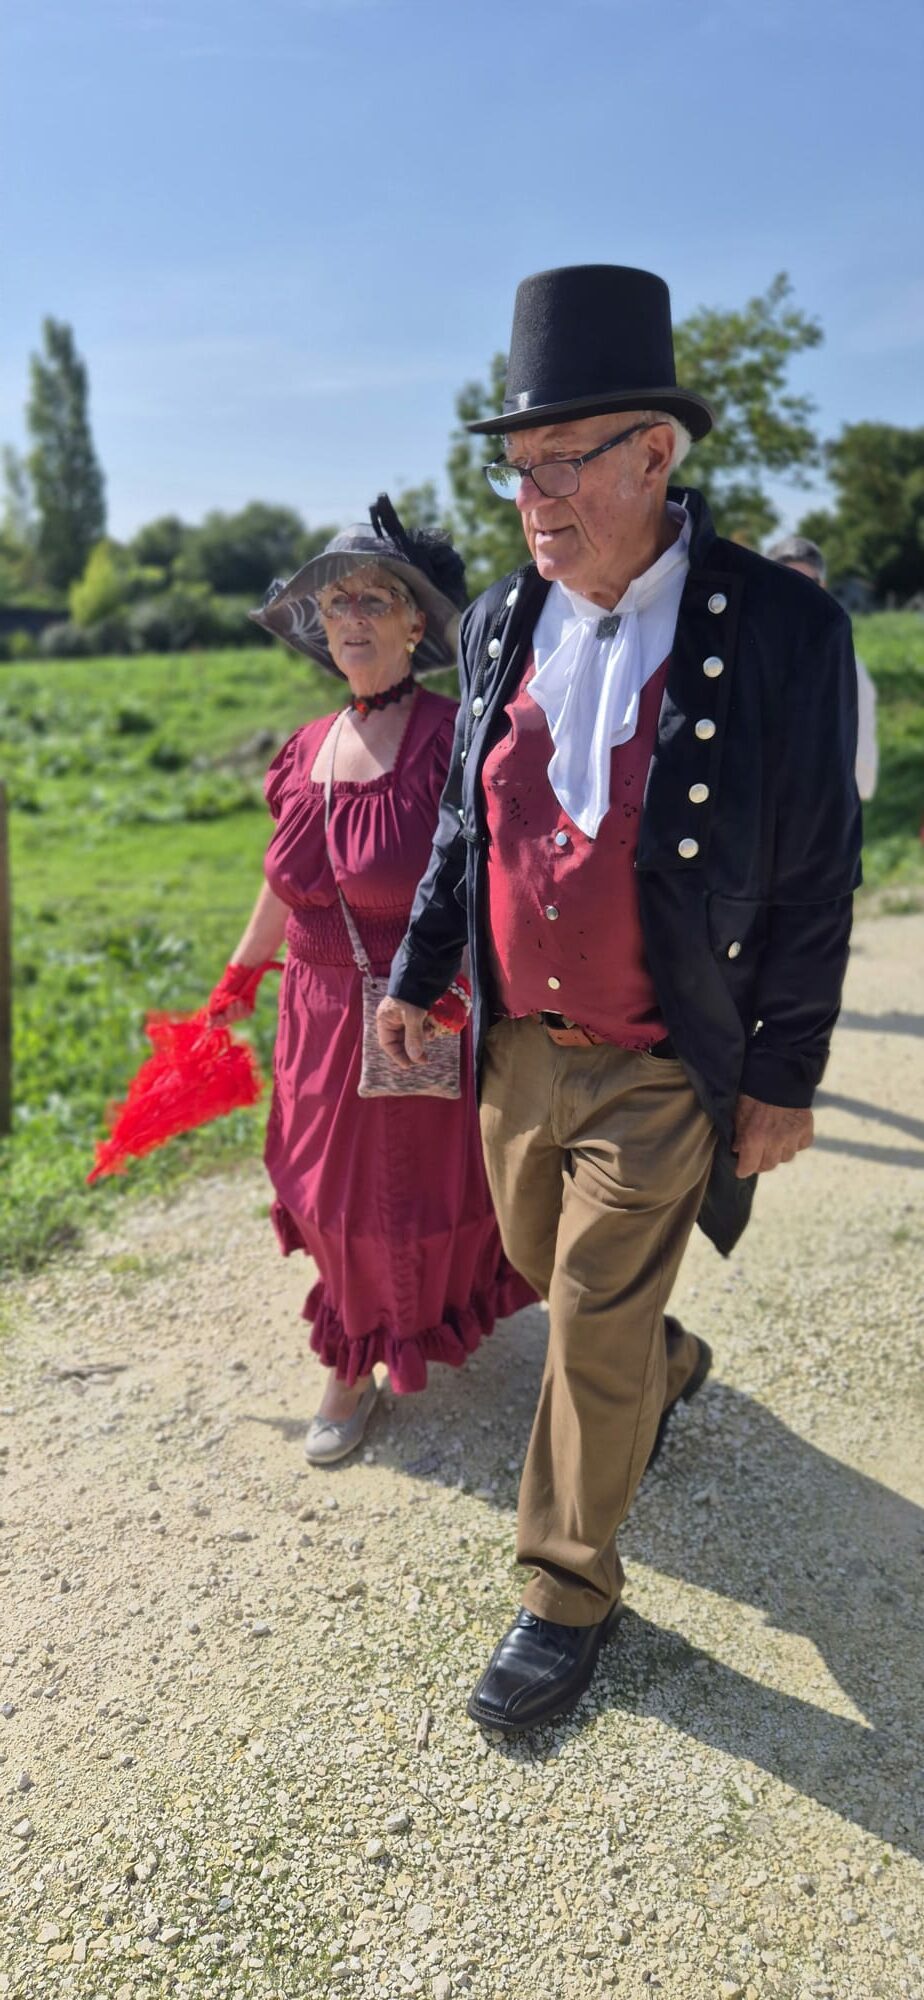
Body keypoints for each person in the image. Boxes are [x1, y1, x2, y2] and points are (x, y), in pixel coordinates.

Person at [378, 265, 862, 1733]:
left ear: (656, 451)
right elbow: (463, 827)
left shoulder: (780, 628)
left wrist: (782, 1075)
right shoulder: (498, 622)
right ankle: (670, 1358)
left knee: (583, 1319)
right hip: (518, 1054)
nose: (534, 497)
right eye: (518, 467)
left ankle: (564, 1592)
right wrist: (416, 976)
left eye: (563, 462)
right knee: (553, 1268)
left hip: (661, 1060)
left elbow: (815, 873)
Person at [209, 500, 533, 1466]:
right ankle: (360, 1343)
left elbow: (499, 880)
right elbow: (286, 883)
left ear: (413, 623)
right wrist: (238, 975)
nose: (349, 617)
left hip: (419, 1009)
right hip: (314, 1014)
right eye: (334, 602)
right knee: (324, 1192)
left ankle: (370, 1358)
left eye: (372, 599)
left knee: (416, 1197)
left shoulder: (455, 737)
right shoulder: (304, 748)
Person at [767, 533, 878, 800]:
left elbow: (862, 777)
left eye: (808, 584)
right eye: (785, 584)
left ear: (823, 588)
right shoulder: (737, 655)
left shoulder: (847, 666)